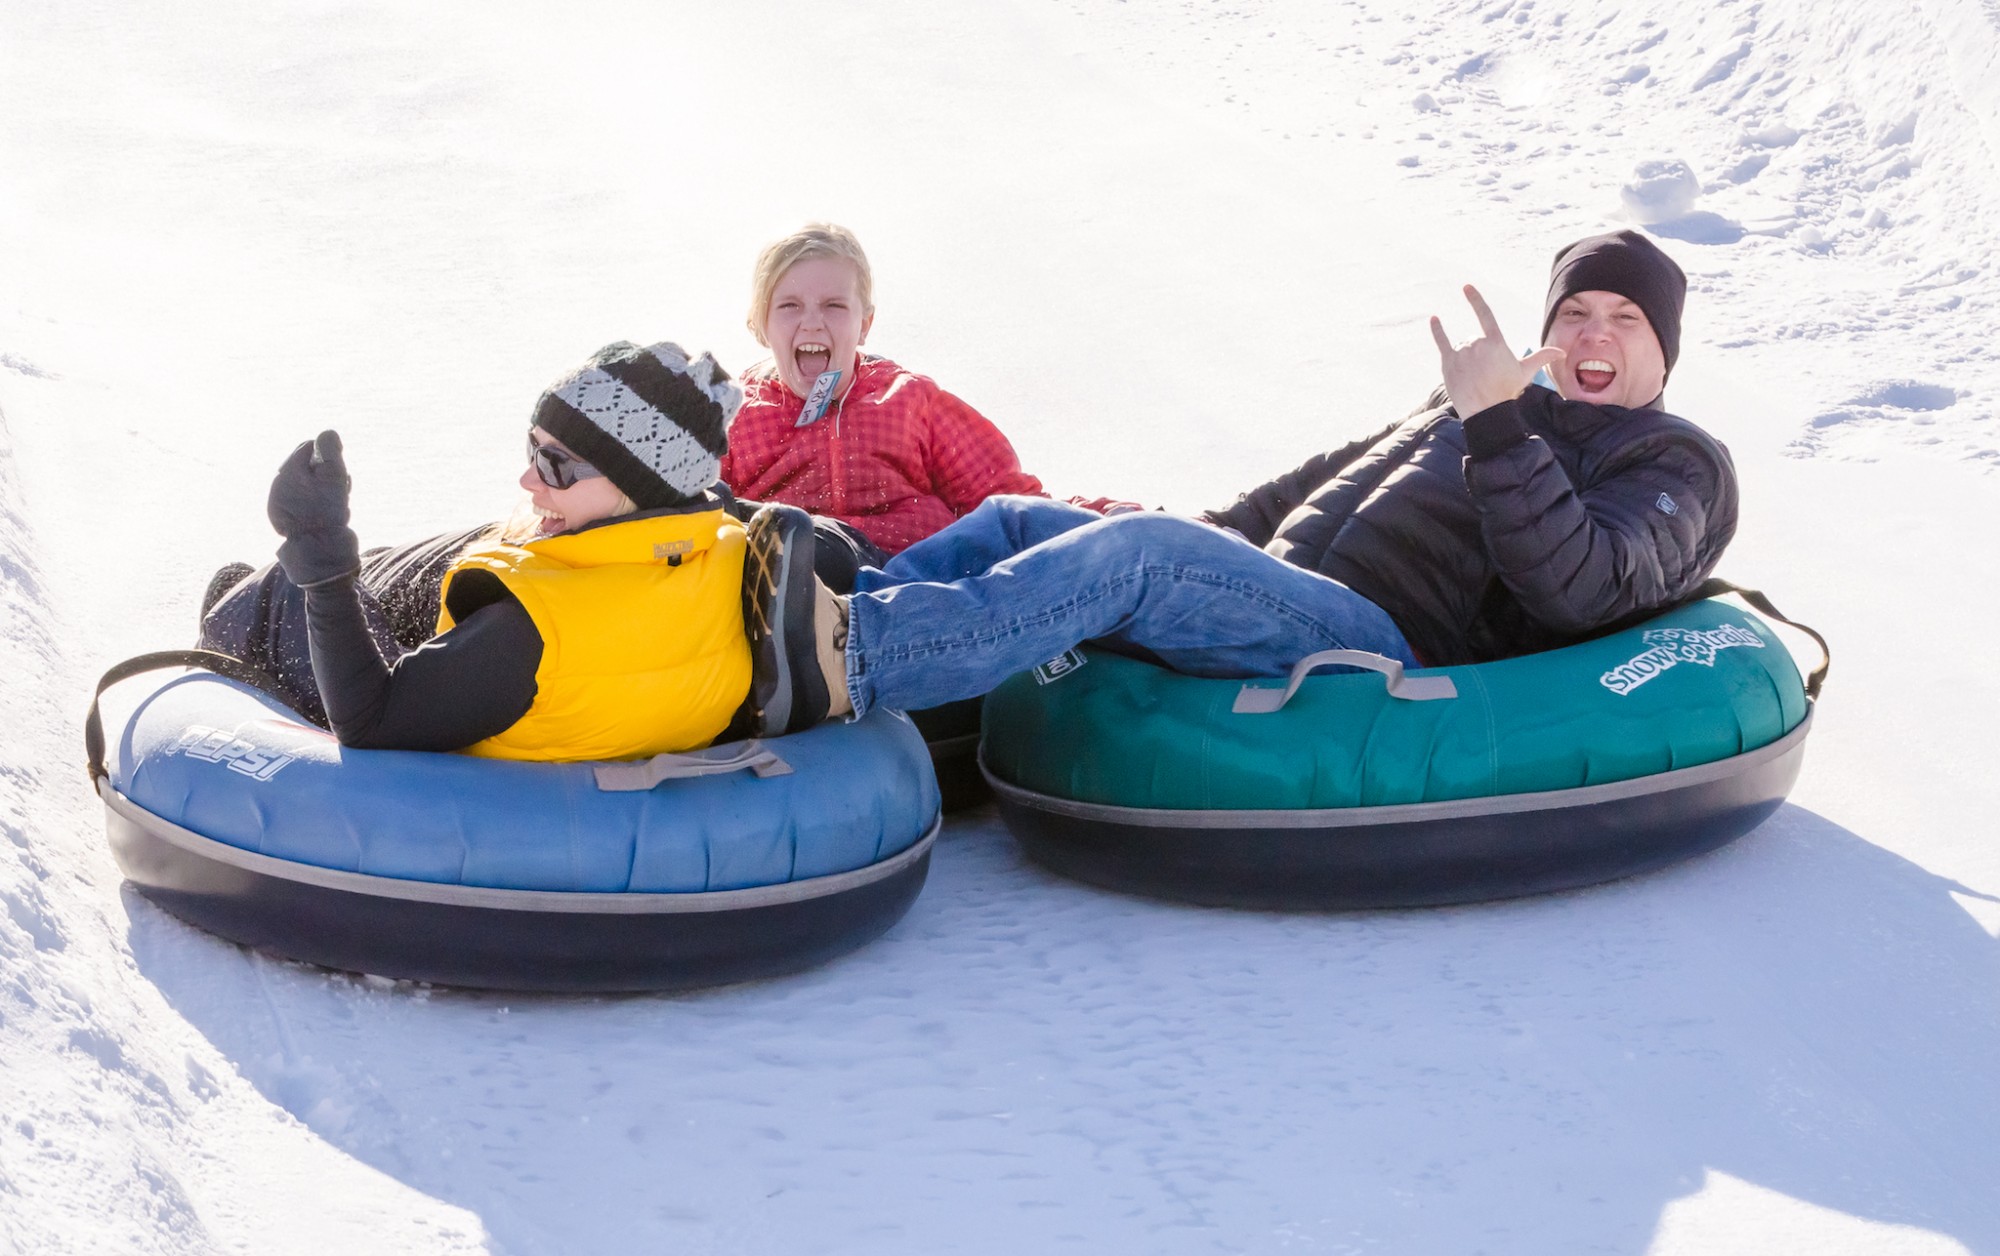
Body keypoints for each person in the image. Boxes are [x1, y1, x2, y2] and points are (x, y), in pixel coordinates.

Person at [734, 230, 1739, 738]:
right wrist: (1206, 526)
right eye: (1575, 313)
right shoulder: (1494, 404)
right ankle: (817, 612)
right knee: (1012, 521)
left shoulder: (1672, 462)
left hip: (1386, 644)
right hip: (1283, 588)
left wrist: (1492, 423)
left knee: (1139, 560)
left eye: (1623, 320)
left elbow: (1581, 584)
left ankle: (847, 660)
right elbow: (1320, 481)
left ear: (1662, 351)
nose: (1591, 336)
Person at [240, 341, 757, 760]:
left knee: (277, 594)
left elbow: (368, 723)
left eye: (556, 464)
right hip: (593, 679)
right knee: (433, 560)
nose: (528, 478)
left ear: (636, 484)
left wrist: (317, 546)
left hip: (489, 697)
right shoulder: (727, 545)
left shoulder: (528, 634)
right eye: (533, 449)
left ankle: (229, 610)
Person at [719, 223, 1133, 564]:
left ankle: (1144, 538)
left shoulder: (907, 401)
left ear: (864, 324)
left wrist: (1111, 517)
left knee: (1019, 537)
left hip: (915, 575)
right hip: (802, 580)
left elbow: (1009, 499)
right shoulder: (735, 420)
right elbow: (695, 514)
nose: (811, 322)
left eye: (834, 306)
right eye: (789, 306)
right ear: (761, 324)